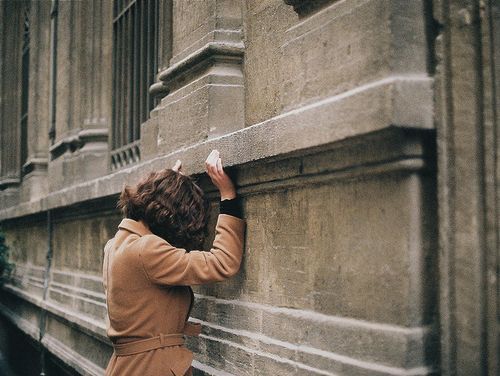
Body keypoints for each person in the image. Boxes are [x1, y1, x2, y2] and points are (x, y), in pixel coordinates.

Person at [102, 150, 246, 376]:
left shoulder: (115, 245)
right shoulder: (147, 250)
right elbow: (222, 261)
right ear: (171, 217)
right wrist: (228, 196)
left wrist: (168, 187)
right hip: (151, 368)